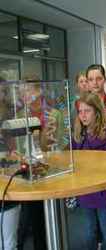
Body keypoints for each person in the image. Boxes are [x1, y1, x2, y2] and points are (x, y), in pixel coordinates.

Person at [17, 76, 64, 250]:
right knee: (34, 219)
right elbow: (21, 147)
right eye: (22, 92)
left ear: (39, 91)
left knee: (52, 219)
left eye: (28, 90)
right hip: (30, 173)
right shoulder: (21, 115)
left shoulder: (54, 114)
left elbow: (60, 145)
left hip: (52, 172)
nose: (24, 95)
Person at [72, 92, 106, 250]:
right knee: (89, 230)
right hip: (85, 190)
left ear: (97, 111)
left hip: (103, 191)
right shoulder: (79, 133)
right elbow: (72, 159)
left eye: (87, 111)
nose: (83, 115)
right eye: (80, 111)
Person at [0, 77, 20, 250]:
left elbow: (14, 147)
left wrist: (14, 154)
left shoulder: (9, 115)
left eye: (3, 91)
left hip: (8, 184)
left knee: (8, 241)